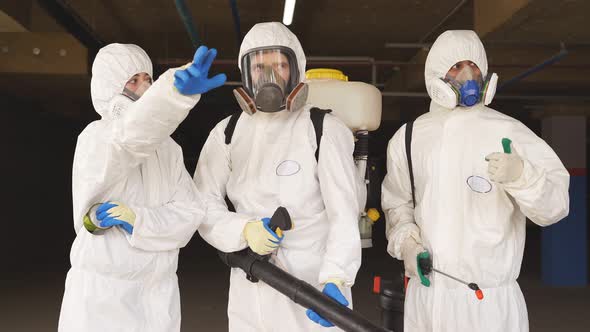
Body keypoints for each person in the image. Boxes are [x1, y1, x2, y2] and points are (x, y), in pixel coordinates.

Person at [382, 30, 570, 332]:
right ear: (436, 74)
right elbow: (397, 204)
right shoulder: (408, 137)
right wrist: (406, 242)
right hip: (426, 297)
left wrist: (522, 176)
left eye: (473, 65)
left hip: (489, 304)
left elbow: (555, 208)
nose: (467, 74)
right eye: (456, 66)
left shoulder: (509, 131)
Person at [193, 22, 362, 331]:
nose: (269, 76)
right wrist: (243, 230)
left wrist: (337, 276)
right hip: (251, 285)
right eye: (259, 67)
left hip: (312, 289)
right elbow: (202, 203)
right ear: (246, 74)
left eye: (280, 65)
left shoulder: (322, 129)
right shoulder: (227, 133)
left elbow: (344, 214)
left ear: (296, 69)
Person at [58, 43, 226, 332]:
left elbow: (190, 212)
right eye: (132, 81)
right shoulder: (97, 138)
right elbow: (129, 138)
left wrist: (139, 220)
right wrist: (173, 93)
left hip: (158, 297)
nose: (144, 87)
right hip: (103, 296)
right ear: (110, 88)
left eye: (148, 79)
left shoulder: (169, 150)